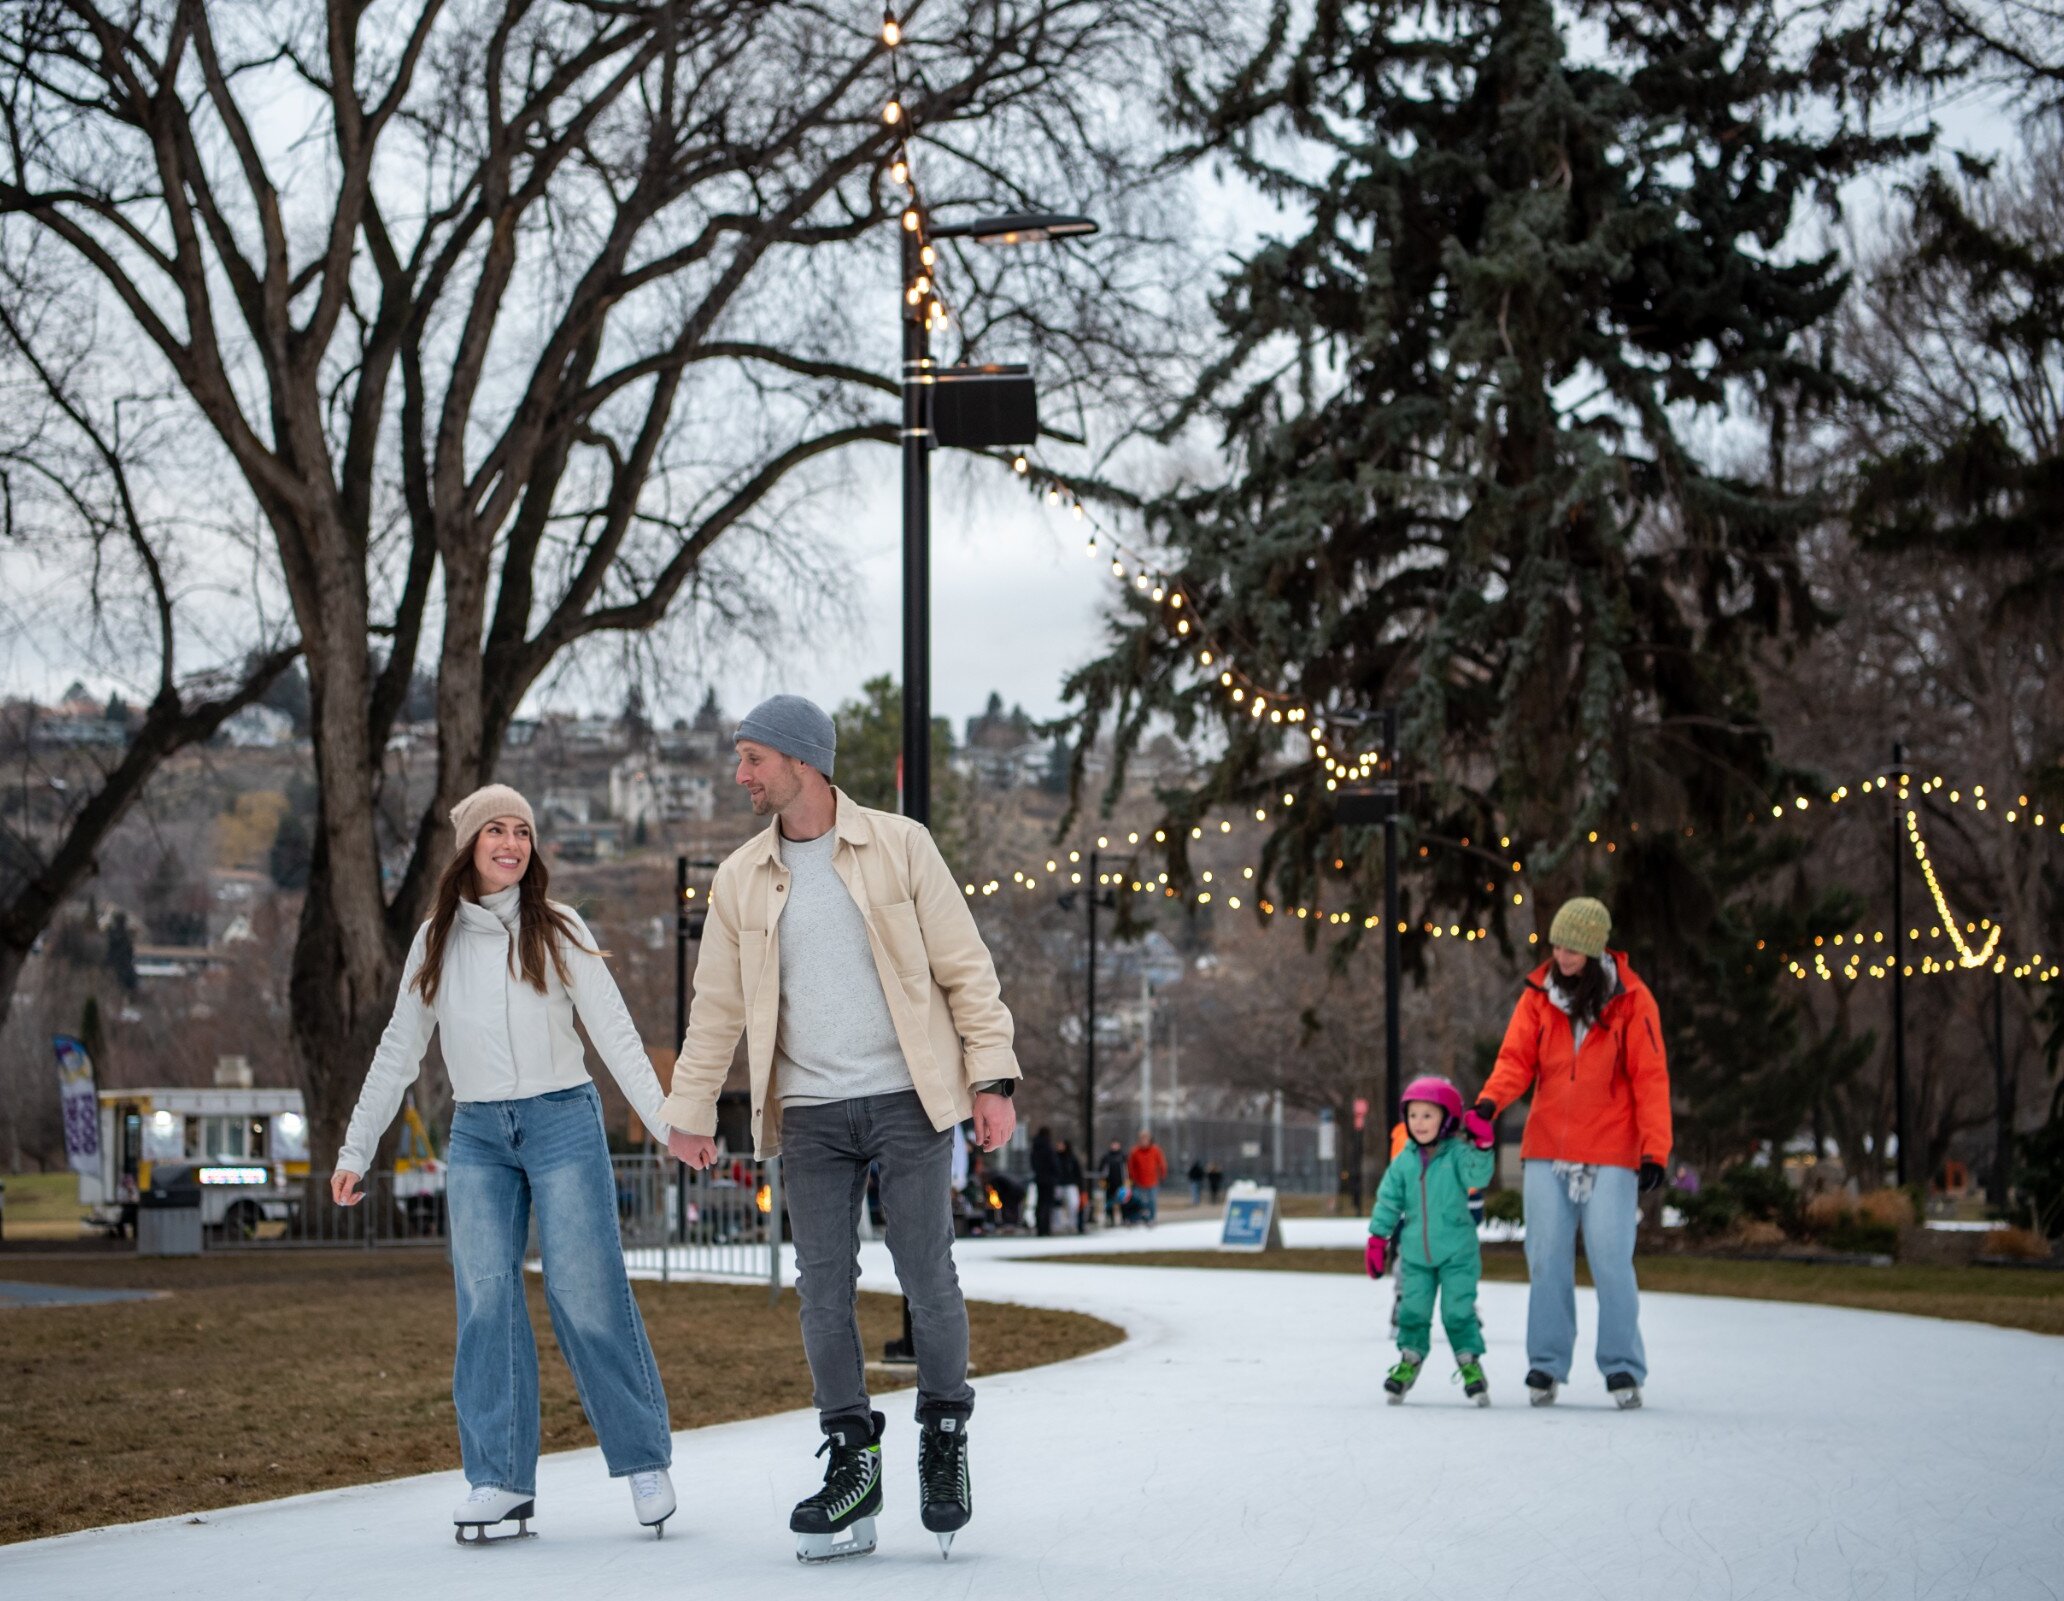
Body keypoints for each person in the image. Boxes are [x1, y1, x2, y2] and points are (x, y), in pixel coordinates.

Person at [657, 696, 1020, 1562]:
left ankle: (942, 1438)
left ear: (800, 761)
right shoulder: (743, 876)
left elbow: (965, 968)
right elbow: (714, 1008)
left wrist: (992, 1077)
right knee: (821, 1284)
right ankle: (852, 1455)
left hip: (908, 1096)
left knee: (926, 1269)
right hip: (810, 1111)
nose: (740, 773)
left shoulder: (900, 845)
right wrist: (690, 1111)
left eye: (752, 757)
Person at [332, 784, 686, 1544]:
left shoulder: (557, 928)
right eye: (495, 829)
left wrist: (667, 1123)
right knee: (486, 1299)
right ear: (468, 845)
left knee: (585, 1290)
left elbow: (616, 1033)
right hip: (480, 1134)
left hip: (563, 1119)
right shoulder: (435, 941)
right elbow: (398, 1049)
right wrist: (356, 1148)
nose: (511, 842)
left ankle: (643, 1459)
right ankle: (497, 1480)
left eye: (522, 830)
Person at [1476, 897, 1671, 1410]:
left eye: (1573, 948)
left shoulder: (1632, 1000)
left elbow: (1650, 1078)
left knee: (1610, 1259)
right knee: (1545, 1258)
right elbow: (1515, 1059)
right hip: (1547, 1146)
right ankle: (1546, 1363)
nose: (1562, 955)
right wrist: (1488, 1104)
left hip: (1610, 1147)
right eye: (1557, 945)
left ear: (1595, 948)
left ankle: (1622, 1367)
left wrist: (1655, 1150)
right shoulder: (1539, 996)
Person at [1365, 1076, 1496, 1405]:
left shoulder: (1457, 1156)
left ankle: (1470, 1365)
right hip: (1416, 1256)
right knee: (1412, 1311)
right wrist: (1378, 1238)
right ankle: (1409, 1362)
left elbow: (1478, 1176)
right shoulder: (1404, 1162)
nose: (1419, 1123)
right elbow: (1388, 1202)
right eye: (1413, 1115)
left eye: (1427, 1115)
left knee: (1457, 1312)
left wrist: (1483, 1146)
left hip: (1458, 1255)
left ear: (1447, 1119)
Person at [1127, 1129, 1167, 1224]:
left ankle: (1152, 1218)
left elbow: (1162, 1163)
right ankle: (1141, 1217)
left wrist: (1163, 1174)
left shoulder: (1155, 1150)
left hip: (1152, 1180)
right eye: (1142, 1139)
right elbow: (1131, 1166)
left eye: (1146, 1139)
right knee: (1139, 1201)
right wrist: (1132, 1178)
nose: (1144, 1141)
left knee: (1152, 1201)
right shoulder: (1135, 1151)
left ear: (1149, 1139)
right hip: (1139, 1181)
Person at [1030, 1126, 1059, 1237]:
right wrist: (1056, 1175)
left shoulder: (1035, 1147)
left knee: (1040, 1203)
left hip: (1039, 1178)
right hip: (1049, 1179)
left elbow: (1033, 1163)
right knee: (1047, 1204)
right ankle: (1045, 1228)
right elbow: (1054, 1163)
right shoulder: (1048, 1147)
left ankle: (1039, 1228)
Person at [1055, 1139, 1086, 1234]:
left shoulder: (1072, 1158)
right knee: (1057, 1205)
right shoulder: (1055, 1158)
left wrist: (1080, 1186)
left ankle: (1072, 1224)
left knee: (1073, 1204)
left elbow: (1078, 1173)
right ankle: (1058, 1225)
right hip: (1058, 1184)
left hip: (1070, 1184)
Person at [1098, 1139, 1128, 1225]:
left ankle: (1124, 1218)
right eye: (1113, 1144)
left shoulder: (1123, 1156)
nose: (1114, 1146)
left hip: (1120, 1183)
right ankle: (1110, 1219)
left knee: (1122, 1201)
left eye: (1116, 1144)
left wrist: (1127, 1181)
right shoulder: (1106, 1157)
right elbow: (1102, 1169)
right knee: (1109, 1202)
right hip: (1109, 1183)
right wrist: (1103, 1180)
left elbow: (1126, 1170)